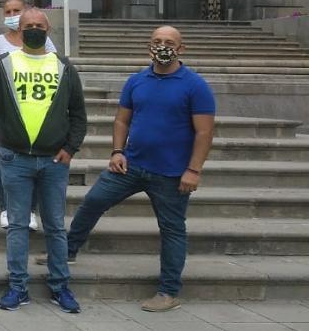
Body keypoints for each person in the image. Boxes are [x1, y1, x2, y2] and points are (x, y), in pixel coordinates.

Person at [54, 26, 215, 313]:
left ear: (181, 49)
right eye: (157, 41)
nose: (162, 46)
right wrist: (117, 151)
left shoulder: (195, 85)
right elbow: (122, 120)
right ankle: (67, 251)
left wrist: (194, 170)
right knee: (93, 201)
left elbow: (204, 132)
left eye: (169, 42)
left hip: (172, 175)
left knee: (172, 230)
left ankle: (168, 292)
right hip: (130, 165)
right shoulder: (136, 81)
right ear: (148, 46)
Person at [0, 8, 87, 314]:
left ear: (48, 30)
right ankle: (18, 287)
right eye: (28, 25)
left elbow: (78, 114)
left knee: (55, 227)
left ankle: (60, 286)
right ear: (19, 31)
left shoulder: (64, 66)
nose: (34, 29)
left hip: (54, 161)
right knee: (18, 225)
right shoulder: (4, 62)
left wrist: (70, 148)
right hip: (15, 158)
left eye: (39, 25)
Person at [0, 0, 56, 229]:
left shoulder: (45, 42)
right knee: (2, 159)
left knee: (32, 160)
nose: (12, 16)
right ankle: (6, 208)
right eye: (8, 11)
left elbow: (54, 67)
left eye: (17, 11)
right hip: (0, 109)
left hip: (34, 109)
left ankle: (29, 210)